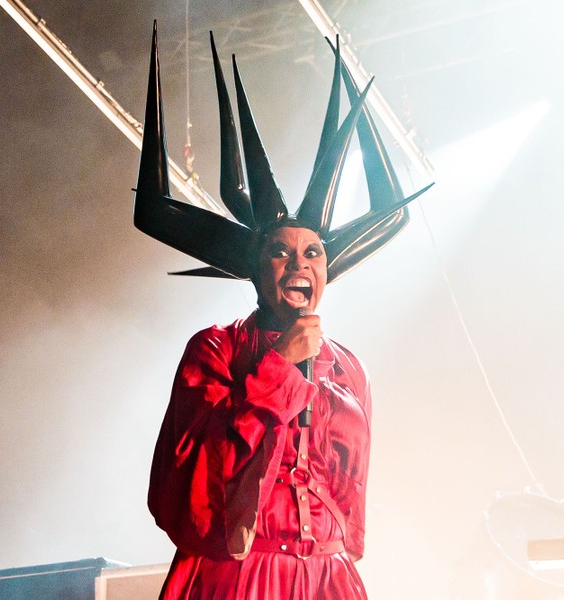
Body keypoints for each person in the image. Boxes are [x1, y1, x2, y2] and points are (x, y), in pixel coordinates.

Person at [133, 24, 431, 599]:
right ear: (257, 269)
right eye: (281, 251)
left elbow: (352, 495)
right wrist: (281, 368)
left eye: (313, 253)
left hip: (326, 575)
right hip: (240, 573)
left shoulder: (349, 369)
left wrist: (336, 556)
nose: (300, 263)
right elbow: (191, 484)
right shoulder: (215, 348)